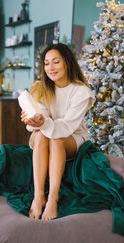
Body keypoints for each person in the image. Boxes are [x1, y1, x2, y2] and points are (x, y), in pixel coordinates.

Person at [21, 43, 95, 221]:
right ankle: (39, 196)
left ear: (67, 63)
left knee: (57, 139)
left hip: (72, 137)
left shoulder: (81, 91)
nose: (50, 68)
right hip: (46, 135)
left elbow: (68, 126)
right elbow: (42, 115)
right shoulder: (40, 87)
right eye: (46, 63)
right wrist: (35, 120)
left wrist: (44, 123)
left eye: (56, 62)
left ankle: (53, 198)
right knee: (40, 134)